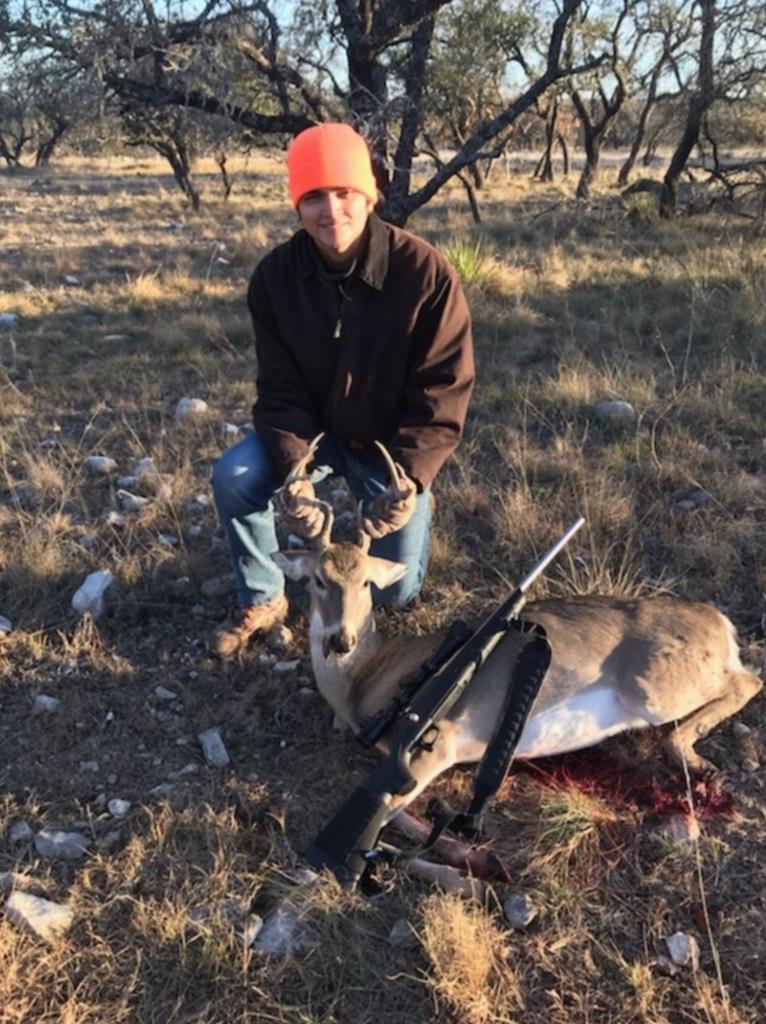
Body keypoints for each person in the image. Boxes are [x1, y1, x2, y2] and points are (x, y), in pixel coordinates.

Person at [211, 122, 474, 658]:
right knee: (235, 477)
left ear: (370, 194)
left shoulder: (426, 274)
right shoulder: (274, 279)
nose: (331, 210)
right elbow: (279, 390)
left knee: (397, 591)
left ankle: (409, 515)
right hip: (317, 440)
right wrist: (296, 475)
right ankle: (264, 596)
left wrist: (410, 480)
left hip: (389, 451)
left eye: (345, 193)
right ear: (296, 206)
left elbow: (442, 391)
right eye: (313, 197)